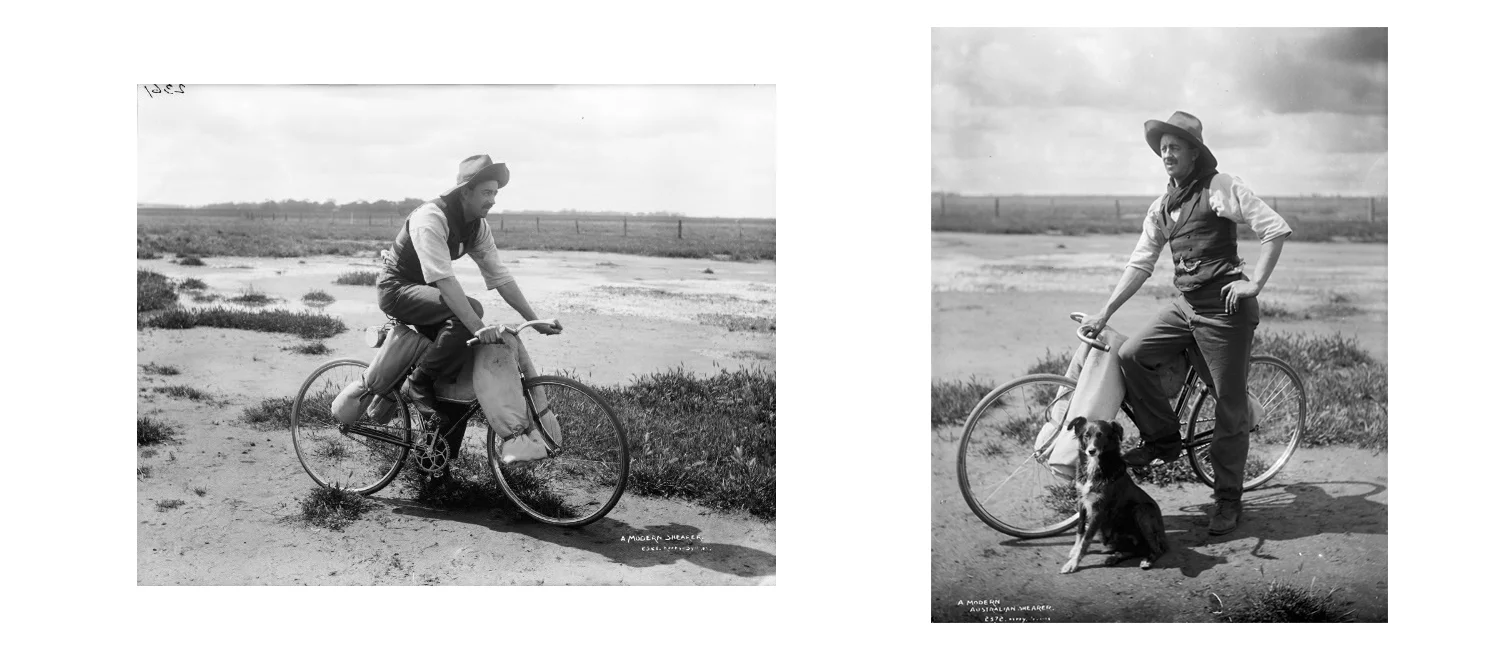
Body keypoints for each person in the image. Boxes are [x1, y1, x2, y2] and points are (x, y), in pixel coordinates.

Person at [1079, 112, 1291, 536]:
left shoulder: (1220, 186)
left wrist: (1254, 284)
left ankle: (1228, 499)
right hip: (1187, 305)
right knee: (1131, 355)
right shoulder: (1163, 206)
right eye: (1163, 148)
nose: (1167, 153)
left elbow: (1275, 229)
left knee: (1229, 406)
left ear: (1195, 152)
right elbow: (1140, 263)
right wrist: (1105, 312)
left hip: (1225, 309)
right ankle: (1164, 440)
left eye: (1176, 146)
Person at [376, 154, 562, 421]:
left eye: (495, 193)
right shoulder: (430, 218)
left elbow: (501, 277)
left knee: (457, 369)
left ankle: (432, 456)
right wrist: (478, 327)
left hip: (427, 295)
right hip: (397, 289)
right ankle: (418, 382)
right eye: (486, 192)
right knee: (470, 312)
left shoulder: (477, 226)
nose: (493, 199)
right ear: (465, 192)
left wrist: (535, 321)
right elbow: (446, 282)